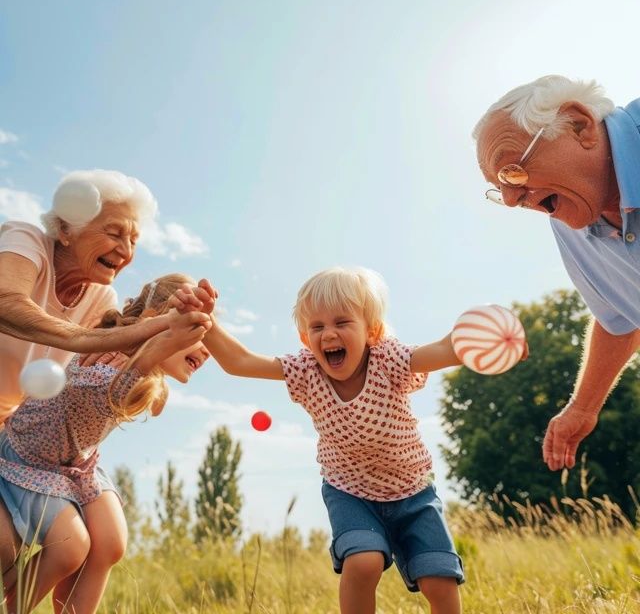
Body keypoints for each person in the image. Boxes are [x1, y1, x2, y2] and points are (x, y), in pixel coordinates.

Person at [175, 267, 465, 614]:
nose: (329, 334)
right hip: (350, 492)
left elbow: (442, 350)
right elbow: (240, 361)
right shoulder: (306, 370)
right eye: (317, 327)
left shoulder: (389, 359)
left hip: (414, 493)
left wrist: (478, 338)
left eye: (342, 322)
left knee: (441, 581)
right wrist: (205, 321)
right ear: (305, 339)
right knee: (364, 561)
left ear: (371, 331)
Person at [0, 273, 211, 614]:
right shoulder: (103, 353)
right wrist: (150, 355)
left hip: (75, 463)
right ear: (159, 317)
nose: (206, 348)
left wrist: (154, 365)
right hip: (29, 459)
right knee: (70, 547)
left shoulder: (145, 371)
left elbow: (153, 401)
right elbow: (104, 395)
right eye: (197, 332)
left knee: (111, 541)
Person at [473, 75, 640, 472]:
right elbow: (619, 318)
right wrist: (582, 407)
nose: (512, 200)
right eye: (501, 189)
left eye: (512, 171)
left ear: (578, 125)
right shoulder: (571, 222)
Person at [0, 168, 173, 425]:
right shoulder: (26, 239)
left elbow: (95, 369)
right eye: (114, 234)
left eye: (134, 241)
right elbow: (6, 302)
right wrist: (87, 338)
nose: (125, 251)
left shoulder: (102, 298)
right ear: (66, 230)